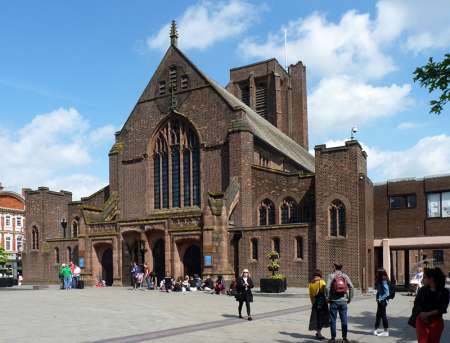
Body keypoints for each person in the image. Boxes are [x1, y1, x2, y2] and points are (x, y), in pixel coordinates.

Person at [408, 267, 449, 343]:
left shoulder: (444, 292)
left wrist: (428, 314)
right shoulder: (422, 290)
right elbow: (417, 303)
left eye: (425, 277)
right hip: (421, 320)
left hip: (436, 321)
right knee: (423, 341)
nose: (423, 279)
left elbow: (443, 308)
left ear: (431, 279)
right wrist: (422, 314)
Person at [326, 263, 354, 342]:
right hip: (343, 301)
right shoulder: (345, 276)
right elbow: (351, 287)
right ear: (341, 268)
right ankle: (344, 338)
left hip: (334, 301)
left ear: (334, 267)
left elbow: (327, 287)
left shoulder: (331, 276)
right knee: (344, 319)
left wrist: (327, 298)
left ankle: (333, 338)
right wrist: (349, 298)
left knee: (333, 320)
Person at [308, 269, 329, 340]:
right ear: (320, 275)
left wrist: (313, 303)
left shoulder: (310, 284)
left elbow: (311, 295)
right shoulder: (322, 282)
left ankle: (318, 332)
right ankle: (319, 334)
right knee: (321, 318)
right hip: (322, 303)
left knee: (316, 318)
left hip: (315, 303)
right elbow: (326, 292)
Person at [373, 269, 390, 336]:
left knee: (383, 316)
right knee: (379, 316)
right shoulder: (381, 280)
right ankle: (376, 329)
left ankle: (385, 331)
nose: (376, 274)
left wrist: (380, 299)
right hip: (381, 301)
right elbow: (381, 291)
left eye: (377, 273)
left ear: (380, 274)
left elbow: (387, 293)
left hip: (382, 302)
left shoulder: (384, 281)